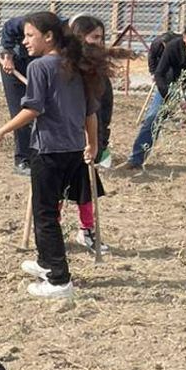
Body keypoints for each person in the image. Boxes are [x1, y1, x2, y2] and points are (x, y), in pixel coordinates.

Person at [0, 12, 112, 299]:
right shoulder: (76, 65)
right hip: (73, 150)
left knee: (45, 215)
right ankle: (45, 262)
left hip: (48, 150)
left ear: (48, 37)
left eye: (30, 35)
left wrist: (1, 131)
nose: (24, 41)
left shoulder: (40, 67)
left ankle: (59, 280)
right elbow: (90, 112)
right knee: (49, 211)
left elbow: (33, 108)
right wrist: (92, 146)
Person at [123, 22, 186, 171]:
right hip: (171, 86)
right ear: (184, 37)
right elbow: (159, 74)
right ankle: (136, 159)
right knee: (153, 118)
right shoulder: (173, 47)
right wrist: (169, 96)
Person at [65, 15, 113, 253]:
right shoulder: (64, 66)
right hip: (62, 140)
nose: (99, 43)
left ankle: (87, 231)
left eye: (102, 38)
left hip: (87, 141)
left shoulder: (98, 70)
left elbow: (102, 109)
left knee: (86, 188)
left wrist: (99, 141)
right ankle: (51, 234)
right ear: (79, 37)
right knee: (54, 192)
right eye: (95, 37)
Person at [0, 14, 39, 176]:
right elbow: (9, 26)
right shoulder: (39, 23)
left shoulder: (68, 40)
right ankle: (22, 160)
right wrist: (8, 56)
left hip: (36, 63)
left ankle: (38, 154)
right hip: (14, 65)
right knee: (21, 110)